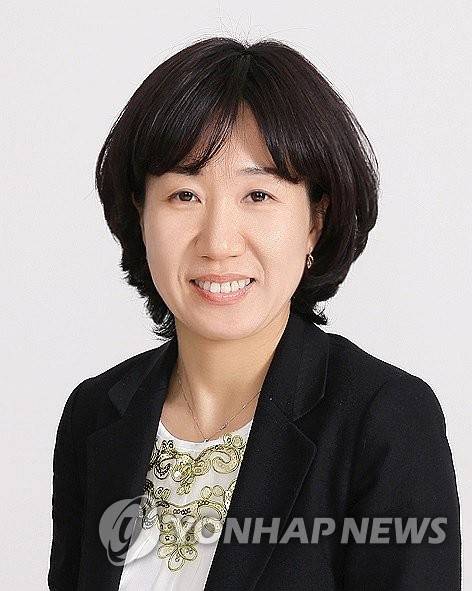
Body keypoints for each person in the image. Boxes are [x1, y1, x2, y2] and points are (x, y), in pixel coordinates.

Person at [48, 37, 461, 590]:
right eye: (184, 195)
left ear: (315, 220)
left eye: (258, 195)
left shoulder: (385, 421)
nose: (218, 242)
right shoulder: (96, 414)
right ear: (140, 215)